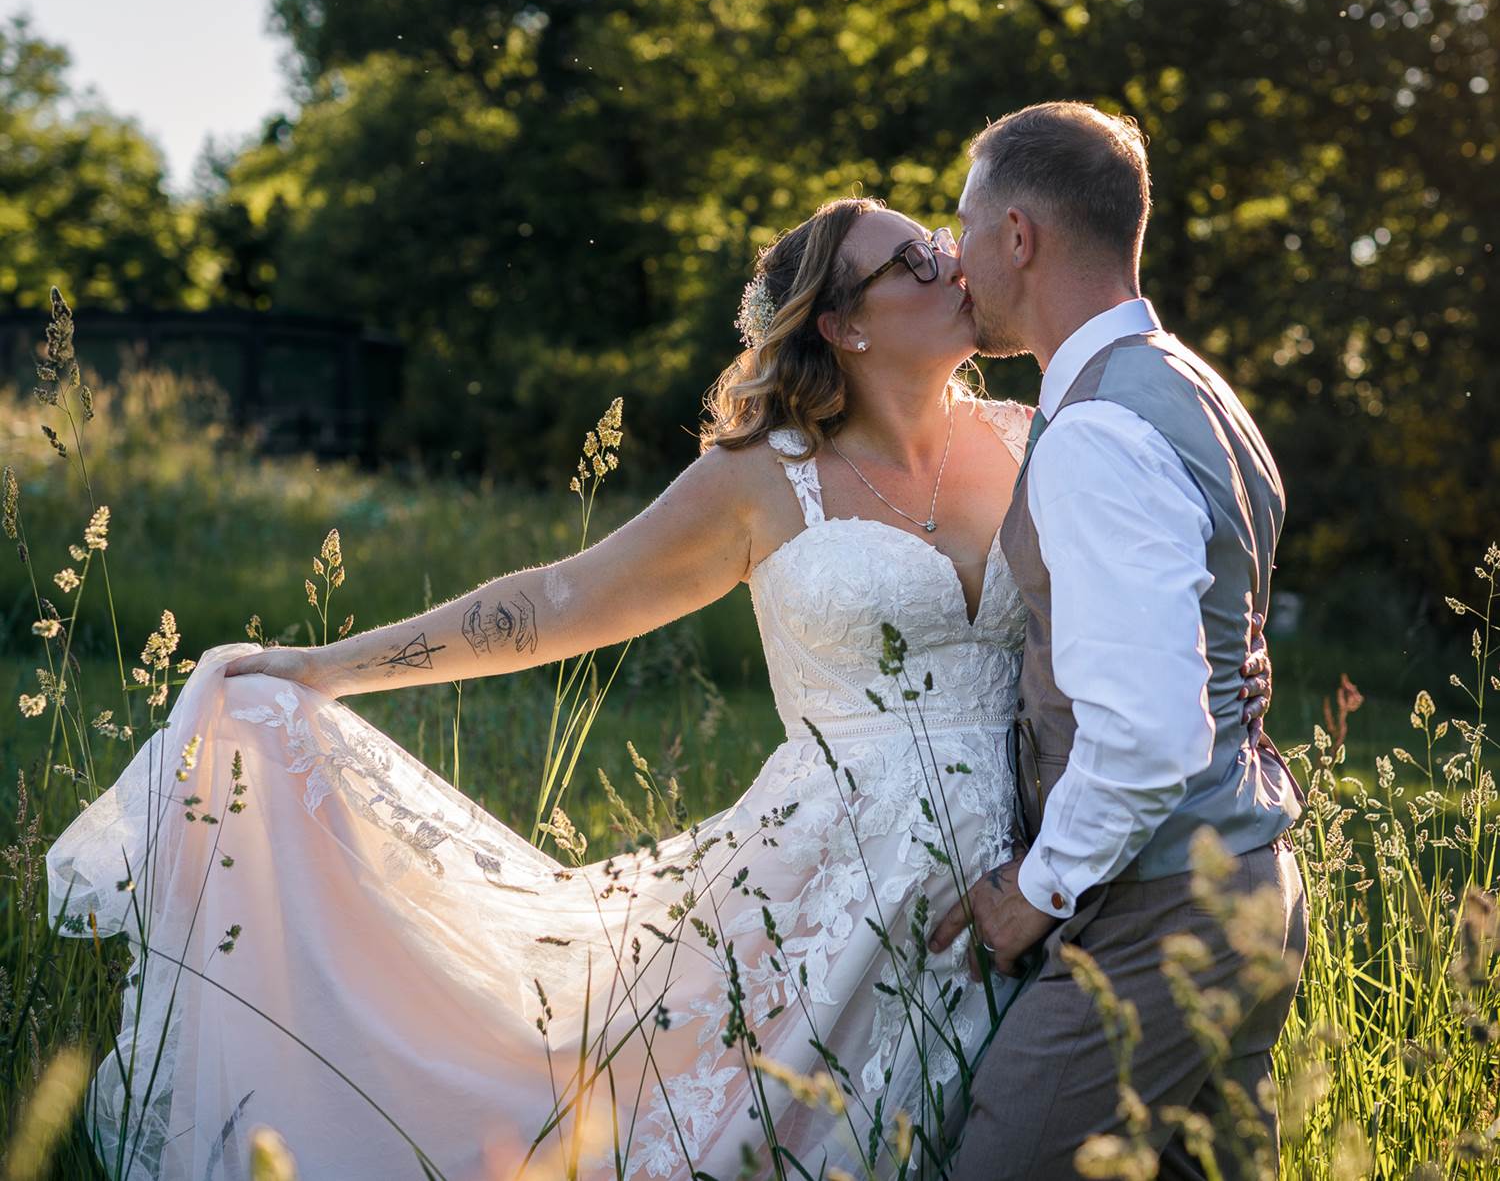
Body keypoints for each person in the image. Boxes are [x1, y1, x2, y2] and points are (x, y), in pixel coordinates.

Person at [47, 192, 1271, 1180]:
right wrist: (326, 665)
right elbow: (560, 602)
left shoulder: (1039, 432)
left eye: (946, 243)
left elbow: (1135, 627)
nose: (955, 266)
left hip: (1035, 861)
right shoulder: (759, 479)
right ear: (840, 323)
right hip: (830, 875)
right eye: (912, 260)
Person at [928, 101, 1306, 1180]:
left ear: (1018, 235)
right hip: (1246, 876)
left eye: (963, 226)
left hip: (1158, 904)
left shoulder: (1096, 432)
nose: (953, 258)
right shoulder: (1196, 387)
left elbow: (1146, 731)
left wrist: (1035, 893)